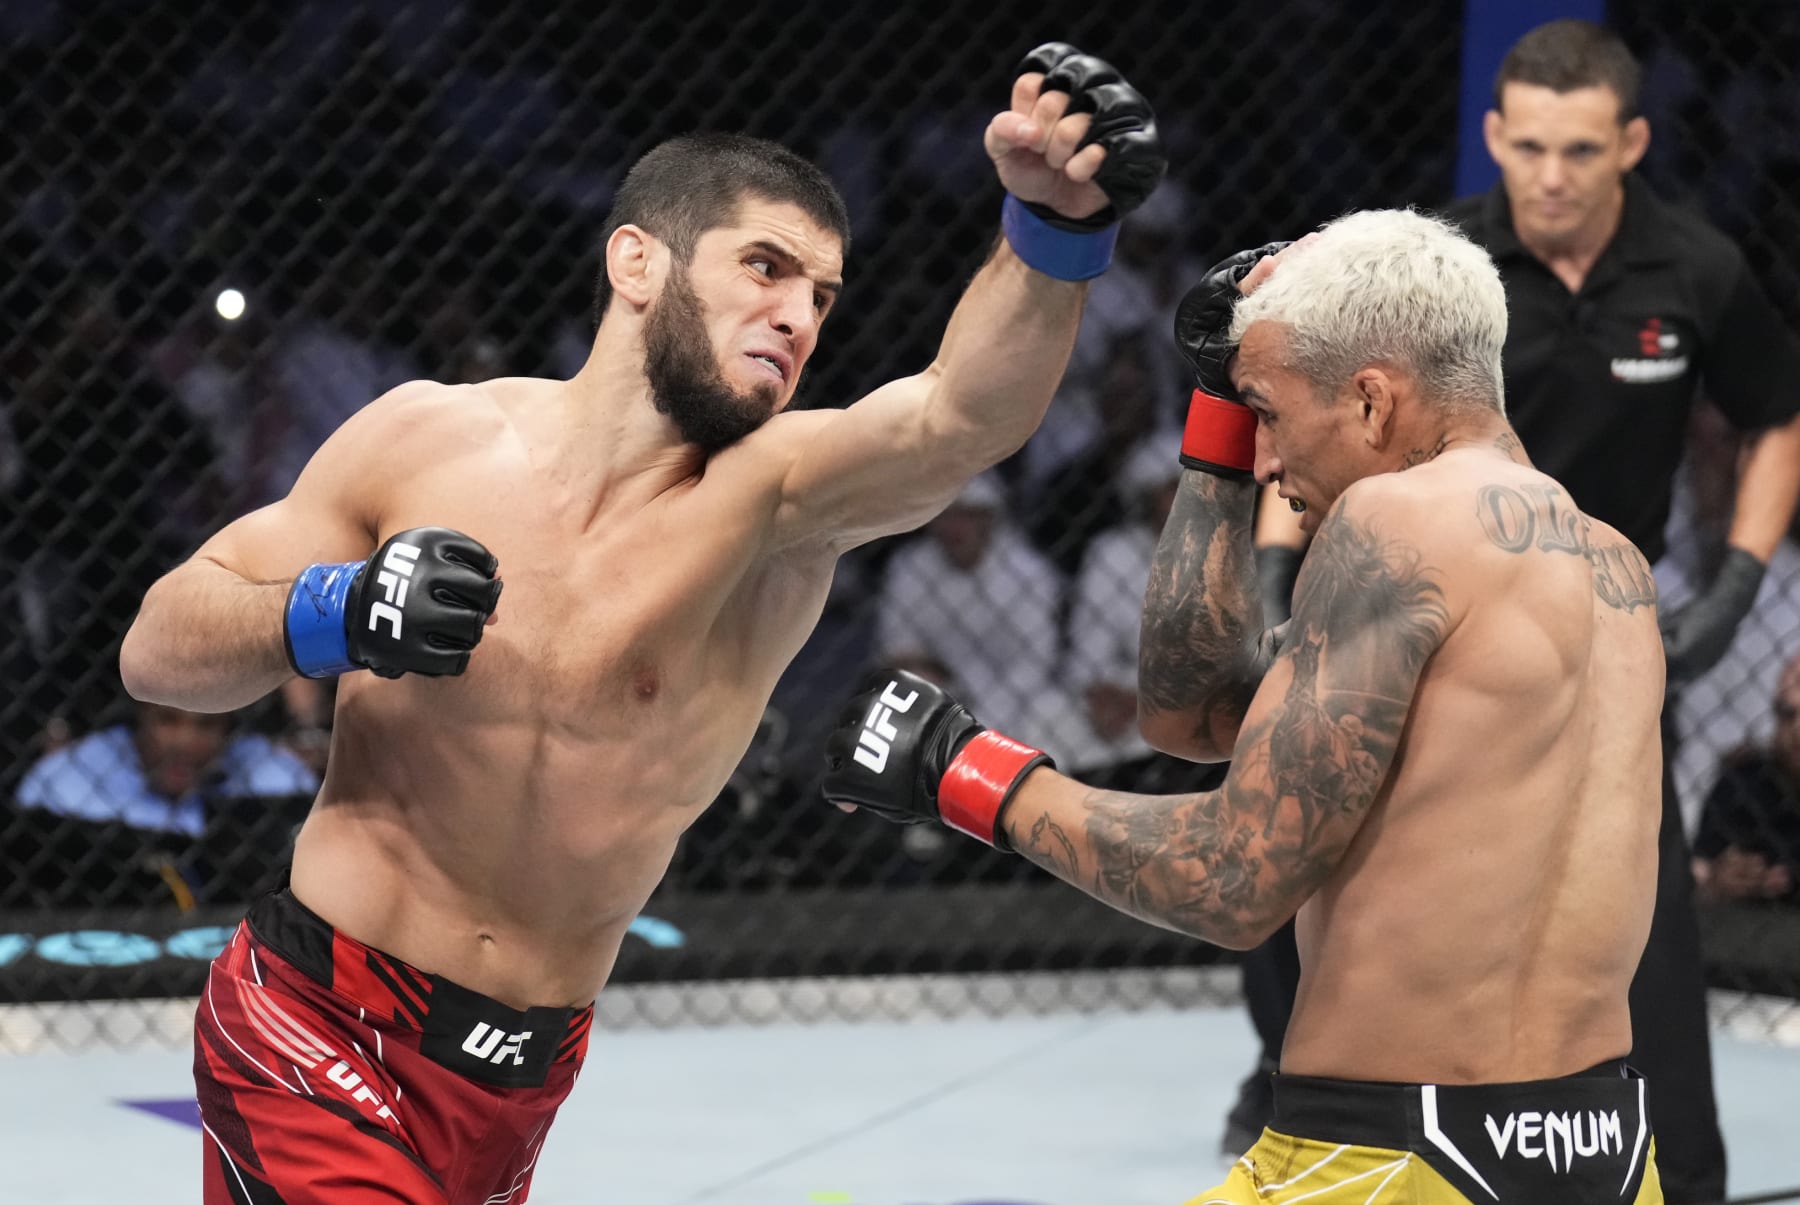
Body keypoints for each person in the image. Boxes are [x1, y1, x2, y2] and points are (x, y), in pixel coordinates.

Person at [118, 43, 1166, 1205]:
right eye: (763, 267)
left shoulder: (777, 505)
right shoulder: (427, 439)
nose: (794, 316)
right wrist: (338, 607)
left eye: (820, 296)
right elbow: (161, 649)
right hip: (316, 1023)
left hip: (521, 1077)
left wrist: (1054, 230)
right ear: (636, 261)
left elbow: (960, 416)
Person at [824, 212, 1668, 1204]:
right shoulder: (1617, 569)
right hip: (1605, 1154)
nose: (1262, 459)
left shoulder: (1398, 520)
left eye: (1265, 411)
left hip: (1388, 1159)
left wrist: (964, 772)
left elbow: (1233, 875)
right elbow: (1192, 711)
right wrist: (1217, 413)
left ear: (1370, 400)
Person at [1226, 22, 1800, 1197]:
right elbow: (1308, 404)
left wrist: (1736, 589)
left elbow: (1776, 416)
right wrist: (1284, 576)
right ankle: (1291, 1092)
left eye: (1580, 149)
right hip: (1417, 618)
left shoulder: (1693, 268)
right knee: (1319, 869)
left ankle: (1673, 1168)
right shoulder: (1441, 275)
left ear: (1630, 144)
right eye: (1529, 145)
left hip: (1601, 625)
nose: (1550, 173)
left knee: (1628, 930)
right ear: (1494, 136)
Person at [8, 698, 317, 910]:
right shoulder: (66, 780)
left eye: (207, 725)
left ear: (229, 730)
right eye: (168, 720)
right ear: (140, 716)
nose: (184, 742)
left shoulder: (275, 774)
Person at [1691, 652, 1800, 908]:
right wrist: (1719, 881)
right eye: (1788, 714)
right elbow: (1699, 870)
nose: (1797, 729)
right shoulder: (1746, 781)